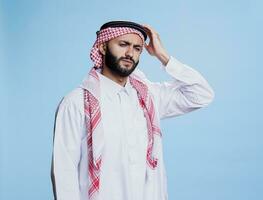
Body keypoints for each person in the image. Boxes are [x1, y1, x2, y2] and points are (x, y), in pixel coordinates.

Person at [51, 20, 214, 200]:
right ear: (103, 47)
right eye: (123, 45)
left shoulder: (148, 97)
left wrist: (163, 56)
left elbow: (201, 94)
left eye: (137, 48)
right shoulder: (76, 103)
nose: (130, 53)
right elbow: (64, 172)